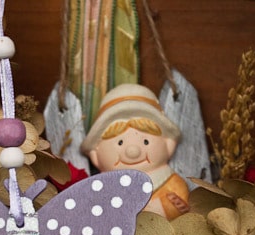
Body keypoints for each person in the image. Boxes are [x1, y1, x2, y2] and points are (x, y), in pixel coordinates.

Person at [81, 83, 189, 220]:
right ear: (95, 154)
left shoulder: (169, 182)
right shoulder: (102, 187)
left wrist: (168, 207)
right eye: (120, 142)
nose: (133, 152)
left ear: (169, 144)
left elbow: (178, 207)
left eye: (146, 141)